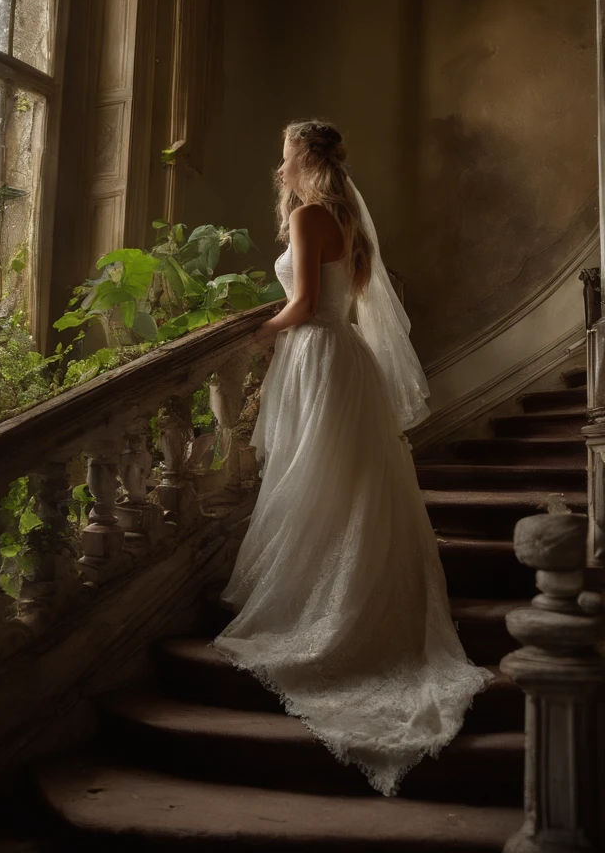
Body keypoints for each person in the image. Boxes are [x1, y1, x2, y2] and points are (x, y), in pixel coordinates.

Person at [212, 119, 494, 797]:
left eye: (284, 155)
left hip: (320, 357)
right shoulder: (347, 220)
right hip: (344, 361)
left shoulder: (311, 215)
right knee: (339, 486)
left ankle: (325, 614)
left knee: (319, 483)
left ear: (304, 157)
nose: (278, 168)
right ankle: (338, 595)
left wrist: (259, 332)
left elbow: (305, 304)